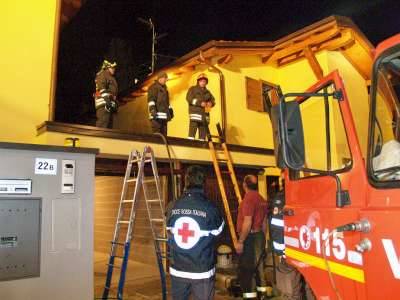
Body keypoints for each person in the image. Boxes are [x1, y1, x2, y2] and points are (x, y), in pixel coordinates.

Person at [166, 165, 224, 300]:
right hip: (201, 271)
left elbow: (169, 230)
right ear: (204, 183)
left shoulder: (172, 205)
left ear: (186, 181)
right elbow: (218, 232)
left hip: (178, 269)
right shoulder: (211, 208)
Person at [235, 175, 268, 299]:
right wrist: (263, 240)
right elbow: (265, 223)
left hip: (249, 238)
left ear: (245, 185)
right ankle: (262, 294)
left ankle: (249, 296)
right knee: (259, 267)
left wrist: (241, 241)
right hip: (259, 236)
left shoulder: (248, 199)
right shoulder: (262, 199)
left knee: (247, 269)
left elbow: (247, 222)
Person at [186, 73, 215, 141]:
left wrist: (211, 103)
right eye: (201, 81)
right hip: (195, 113)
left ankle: (202, 146)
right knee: (192, 130)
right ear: (198, 81)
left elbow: (213, 100)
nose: (203, 83)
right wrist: (199, 103)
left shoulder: (208, 92)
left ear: (206, 83)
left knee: (203, 132)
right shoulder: (192, 89)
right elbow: (189, 99)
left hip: (205, 115)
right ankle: (190, 144)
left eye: (204, 81)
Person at [94, 60, 118, 128]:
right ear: (107, 67)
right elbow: (102, 88)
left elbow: (113, 92)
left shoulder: (110, 77)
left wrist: (114, 102)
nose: (114, 69)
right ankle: (99, 138)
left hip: (109, 103)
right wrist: (107, 101)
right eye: (112, 68)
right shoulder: (102, 74)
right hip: (103, 103)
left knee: (108, 126)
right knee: (102, 124)